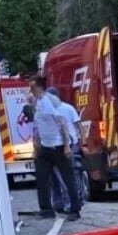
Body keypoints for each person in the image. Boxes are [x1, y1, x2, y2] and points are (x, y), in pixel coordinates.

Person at [30, 75, 81, 221]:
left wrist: (66, 145)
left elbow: (62, 123)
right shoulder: (38, 103)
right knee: (41, 176)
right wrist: (36, 147)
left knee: (68, 178)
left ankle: (75, 210)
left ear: (38, 87)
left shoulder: (49, 102)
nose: (30, 90)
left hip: (58, 145)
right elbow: (37, 127)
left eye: (32, 87)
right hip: (45, 146)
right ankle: (46, 209)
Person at [46, 87, 85, 213]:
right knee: (61, 175)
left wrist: (81, 140)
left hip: (68, 145)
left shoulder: (67, 108)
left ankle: (72, 202)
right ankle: (64, 202)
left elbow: (78, 124)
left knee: (67, 175)